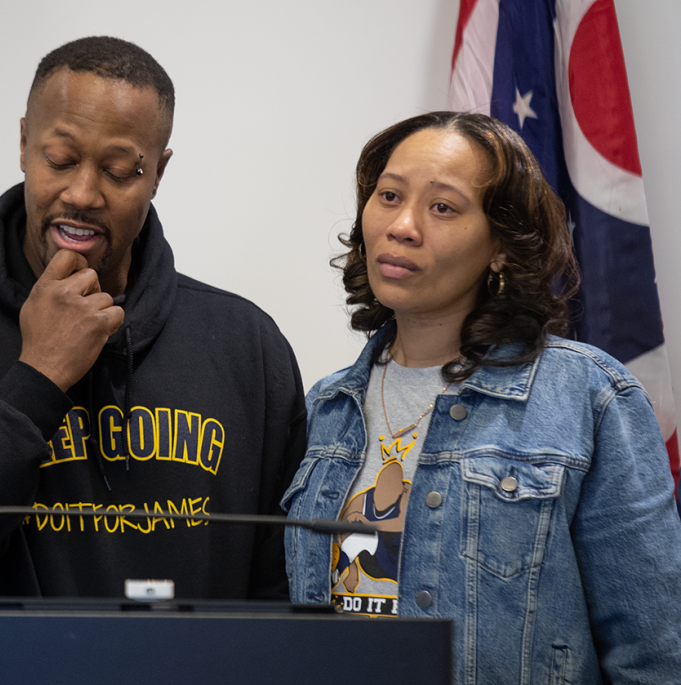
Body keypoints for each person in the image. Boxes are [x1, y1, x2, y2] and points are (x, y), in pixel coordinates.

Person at [0, 36, 306, 608]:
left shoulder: (246, 346)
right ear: (24, 142)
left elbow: (280, 590)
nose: (83, 193)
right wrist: (37, 380)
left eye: (121, 170)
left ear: (159, 172)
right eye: (61, 160)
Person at [283, 112, 681, 682]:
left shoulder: (590, 398)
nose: (403, 226)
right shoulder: (325, 407)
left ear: (501, 246)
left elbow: (654, 657)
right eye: (389, 196)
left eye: (442, 207)